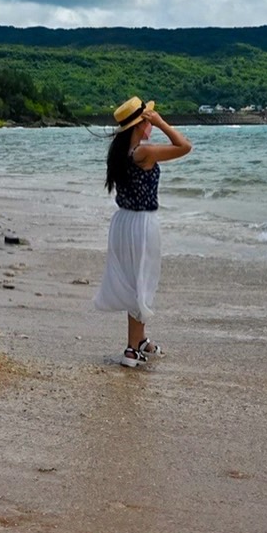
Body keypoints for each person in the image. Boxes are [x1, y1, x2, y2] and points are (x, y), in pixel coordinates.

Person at [92, 96, 192, 368]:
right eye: (147, 119)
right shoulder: (143, 153)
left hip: (124, 222)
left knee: (137, 281)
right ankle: (131, 349)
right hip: (141, 224)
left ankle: (141, 339)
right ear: (141, 124)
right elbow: (185, 146)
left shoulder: (120, 152)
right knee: (141, 284)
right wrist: (161, 123)